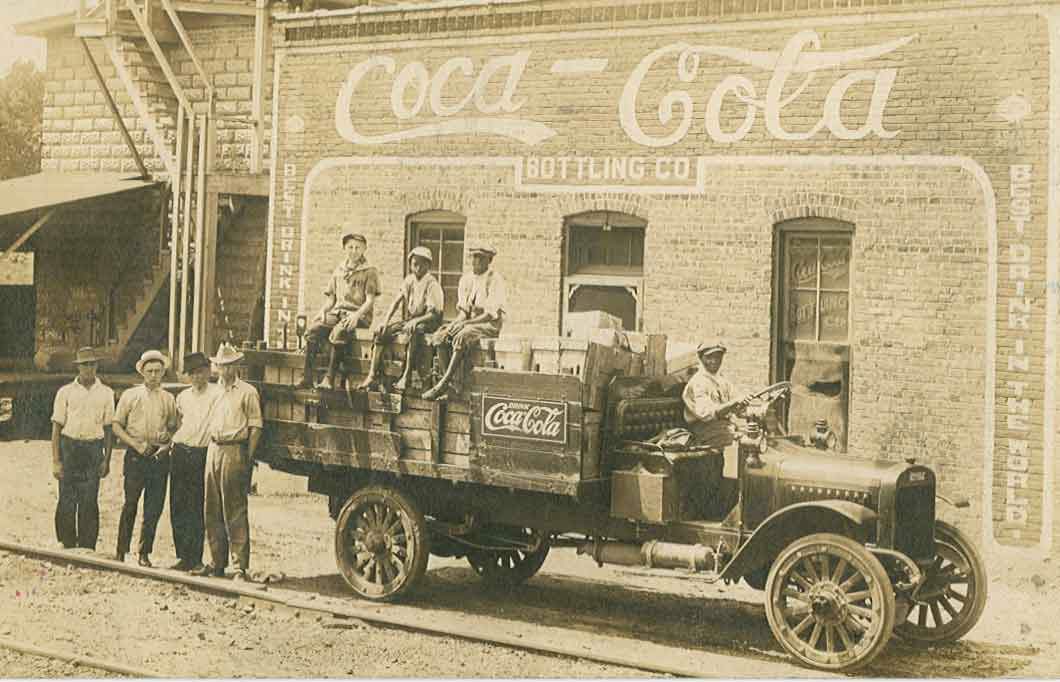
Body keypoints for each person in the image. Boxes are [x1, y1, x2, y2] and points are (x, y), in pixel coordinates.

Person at [195, 343, 262, 582]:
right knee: (211, 508)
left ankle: (239, 567)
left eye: (229, 366)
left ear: (236, 367)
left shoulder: (247, 392)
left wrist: (247, 457)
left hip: (235, 450)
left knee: (234, 509)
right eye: (221, 366)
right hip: (213, 448)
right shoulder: (213, 391)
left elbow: (255, 427)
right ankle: (216, 562)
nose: (224, 370)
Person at [113, 349, 178, 566]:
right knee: (130, 503)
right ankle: (121, 550)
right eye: (149, 371)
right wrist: (136, 445)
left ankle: (144, 553)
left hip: (158, 458)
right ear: (142, 372)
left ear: (162, 373)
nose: (153, 375)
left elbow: (173, 428)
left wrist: (166, 444)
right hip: (136, 455)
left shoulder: (168, 399)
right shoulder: (130, 395)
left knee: (153, 507)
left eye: (158, 371)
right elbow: (116, 425)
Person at [421, 243, 506, 401]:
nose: (475, 262)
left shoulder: (495, 280)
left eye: (480, 258)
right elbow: (463, 312)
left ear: (489, 260)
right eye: (473, 257)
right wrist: (454, 324)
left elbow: (490, 315)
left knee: (462, 336)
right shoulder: (467, 279)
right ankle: (452, 387)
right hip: (470, 323)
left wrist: (466, 324)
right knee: (441, 336)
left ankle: (443, 383)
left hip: (488, 325)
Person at [296, 231, 380, 390]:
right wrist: (322, 311)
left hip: (359, 315)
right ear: (345, 249)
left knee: (340, 331)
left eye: (358, 248)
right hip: (338, 312)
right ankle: (307, 377)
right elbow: (331, 299)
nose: (354, 251)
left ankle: (329, 379)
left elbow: (369, 301)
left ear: (364, 249)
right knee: (313, 330)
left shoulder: (369, 271)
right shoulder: (339, 270)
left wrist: (356, 316)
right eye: (350, 247)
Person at [50, 347, 115, 551]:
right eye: (85, 365)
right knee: (67, 497)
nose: (89, 368)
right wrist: (56, 460)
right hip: (70, 447)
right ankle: (66, 542)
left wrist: (107, 459)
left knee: (89, 498)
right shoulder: (65, 392)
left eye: (92, 364)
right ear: (78, 367)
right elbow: (57, 427)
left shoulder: (106, 393)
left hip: (93, 449)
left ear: (97, 366)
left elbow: (108, 429)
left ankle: (87, 545)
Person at [358, 246, 444, 392]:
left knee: (415, 331)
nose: (416, 267)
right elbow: (396, 302)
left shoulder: (432, 284)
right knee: (382, 332)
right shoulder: (409, 280)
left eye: (421, 264)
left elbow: (434, 314)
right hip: (413, 319)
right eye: (414, 263)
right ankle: (372, 375)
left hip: (430, 321)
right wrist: (385, 321)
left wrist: (416, 321)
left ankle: (407, 375)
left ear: (428, 265)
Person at [168, 352, 222, 573]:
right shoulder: (182, 397)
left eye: (201, 372)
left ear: (209, 372)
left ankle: (197, 558)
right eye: (193, 374)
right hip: (181, 451)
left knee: (198, 506)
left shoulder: (217, 394)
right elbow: (177, 423)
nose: (198, 377)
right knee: (178, 505)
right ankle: (183, 556)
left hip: (202, 453)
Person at [682, 342, 749, 450]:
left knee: (753, 436)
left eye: (718, 357)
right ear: (700, 358)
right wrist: (734, 403)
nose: (714, 361)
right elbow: (707, 414)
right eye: (709, 357)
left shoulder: (723, 381)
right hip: (702, 430)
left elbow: (738, 409)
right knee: (742, 441)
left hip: (723, 427)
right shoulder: (698, 382)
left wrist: (743, 404)